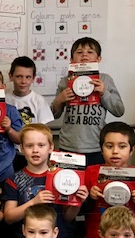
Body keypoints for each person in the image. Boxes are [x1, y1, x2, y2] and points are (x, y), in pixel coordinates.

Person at [3, 124, 88, 238]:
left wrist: (79, 202)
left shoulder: (63, 177)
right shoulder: (14, 179)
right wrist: (34, 202)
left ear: (51, 148)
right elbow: (9, 217)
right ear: (21, 148)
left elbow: (68, 217)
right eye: (29, 146)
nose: (35, 150)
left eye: (41, 145)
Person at [83, 122, 135, 238]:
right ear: (101, 149)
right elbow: (80, 211)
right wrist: (90, 197)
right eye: (109, 146)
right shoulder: (91, 173)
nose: (115, 151)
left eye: (122, 146)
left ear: (131, 150)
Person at [51, 37, 124, 165]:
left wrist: (103, 93)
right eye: (79, 52)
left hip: (96, 145)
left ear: (98, 58)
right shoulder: (65, 81)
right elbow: (54, 114)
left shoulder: (105, 80)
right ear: (72, 60)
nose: (84, 55)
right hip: (69, 145)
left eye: (90, 52)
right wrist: (60, 99)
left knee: (93, 184)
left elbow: (119, 110)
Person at [6, 56, 54, 127]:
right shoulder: (5, 100)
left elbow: (43, 130)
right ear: (11, 76)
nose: (23, 81)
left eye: (28, 77)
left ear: (33, 78)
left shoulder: (39, 101)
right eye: (19, 76)